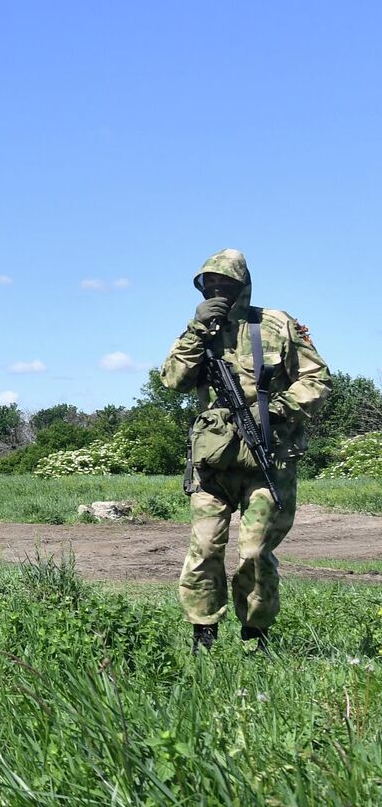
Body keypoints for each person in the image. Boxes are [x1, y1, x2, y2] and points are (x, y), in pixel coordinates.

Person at [160, 249, 328, 652]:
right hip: (214, 460)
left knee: (254, 552)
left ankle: (256, 634)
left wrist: (276, 408)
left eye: (226, 285)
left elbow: (317, 380)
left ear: (243, 286)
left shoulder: (276, 324)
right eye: (209, 285)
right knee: (204, 548)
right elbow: (173, 380)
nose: (218, 291)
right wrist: (197, 330)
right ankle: (203, 633)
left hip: (267, 454)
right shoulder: (198, 331)